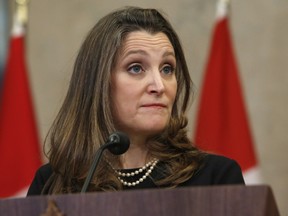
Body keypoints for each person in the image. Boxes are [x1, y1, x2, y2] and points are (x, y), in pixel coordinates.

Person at [27, 6, 244, 195]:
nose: (159, 86)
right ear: (99, 83)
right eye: (136, 68)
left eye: (167, 69)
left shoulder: (216, 178)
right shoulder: (53, 184)